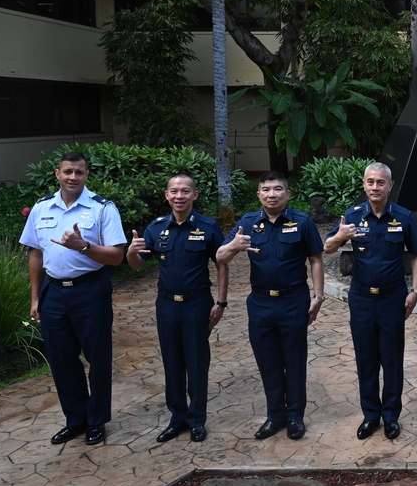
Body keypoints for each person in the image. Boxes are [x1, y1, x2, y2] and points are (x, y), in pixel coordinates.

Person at [20, 150, 126, 446]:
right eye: (67, 171)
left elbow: (116, 257)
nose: (72, 177)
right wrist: (35, 297)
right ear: (57, 174)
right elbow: (36, 253)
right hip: (53, 291)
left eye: (79, 172)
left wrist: (83, 246)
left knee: (98, 357)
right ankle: (76, 419)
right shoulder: (42, 208)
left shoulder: (102, 208)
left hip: (90, 290)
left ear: (87, 175)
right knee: (61, 358)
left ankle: (96, 420)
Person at [216, 172, 324, 441]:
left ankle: (295, 416)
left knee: (294, 360)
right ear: (259, 195)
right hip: (261, 302)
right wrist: (234, 246)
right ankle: (275, 415)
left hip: (293, 300)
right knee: (268, 361)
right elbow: (219, 256)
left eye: (278, 189)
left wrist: (318, 296)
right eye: (266, 189)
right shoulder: (248, 223)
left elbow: (316, 259)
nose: (272, 194)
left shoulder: (302, 222)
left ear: (288, 194)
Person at [324, 163, 417, 440]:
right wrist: (340, 237)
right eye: (370, 182)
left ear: (390, 186)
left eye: (381, 182)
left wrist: (415, 290)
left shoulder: (403, 217)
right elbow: (327, 247)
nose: (375, 187)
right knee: (366, 358)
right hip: (362, 299)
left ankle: (390, 416)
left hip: (393, 298)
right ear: (364, 185)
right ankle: (371, 415)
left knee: (392, 360)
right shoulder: (352, 216)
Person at [127, 174, 229, 443]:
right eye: (174, 191)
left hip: (197, 303)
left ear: (195, 195)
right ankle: (177, 418)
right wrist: (130, 252)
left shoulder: (208, 227)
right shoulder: (156, 228)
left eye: (185, 191)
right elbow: (137, 264)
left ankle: (196, 420)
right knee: (172, 362)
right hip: (167, 305)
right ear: (167, 195)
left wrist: (221, 301)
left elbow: (222, 263)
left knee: (196, 362)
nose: (179, 196)